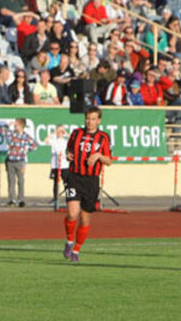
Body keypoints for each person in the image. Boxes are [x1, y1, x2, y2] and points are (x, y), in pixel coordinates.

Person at [63, 106, 113, 263]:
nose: (89, 122)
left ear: (99, 120)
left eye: (93, 119)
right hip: (74, 177)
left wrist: (98, 155)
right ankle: (69, 241)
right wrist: (68, 154)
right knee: (72, 213)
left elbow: (109, 161)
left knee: (85, 218)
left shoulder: (103, 138)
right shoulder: (76, 133)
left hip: (91, 181)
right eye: (87, 118)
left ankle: (77, 250)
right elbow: (69, 149)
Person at [4, 118, 37, 207]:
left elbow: (34, 145)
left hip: (20, 161)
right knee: (11, 181)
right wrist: (8, 125)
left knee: (21, 181)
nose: (15, 125)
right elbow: (2, 132)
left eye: (17, 124)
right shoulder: (12, 134)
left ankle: (21, 199)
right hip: (10, 160)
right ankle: (12, 199)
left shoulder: (26, 136)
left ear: (21, 125)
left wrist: (26, 150)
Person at [44, 125, 69, 207]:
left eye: (62, 131)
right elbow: (46, 140)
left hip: (65, 166)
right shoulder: (54, 141)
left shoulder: (66, 141)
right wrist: (54, 132)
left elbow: (73, 139)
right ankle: (55, 199)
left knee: (67, 183)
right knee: (55, 184)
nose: (60, 133)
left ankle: (68, 199)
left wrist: (66, 133)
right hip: (55, 165)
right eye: (59, 131)